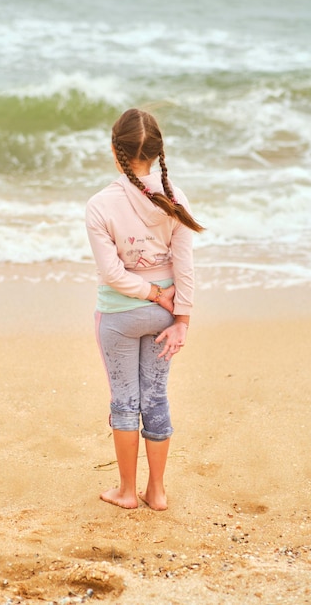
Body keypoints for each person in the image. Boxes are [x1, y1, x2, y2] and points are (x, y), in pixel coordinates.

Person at [85, 108, 204, 511]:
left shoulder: (100, 204)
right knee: (155, 399)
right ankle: (156, 491)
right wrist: (181, 317)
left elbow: (113, 274)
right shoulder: (174, 198)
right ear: (156, 152)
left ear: (115, 152)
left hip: (118, 318)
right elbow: (184, 265)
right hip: (164, 317)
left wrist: (151, 293)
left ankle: (125, 492)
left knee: (124, 402)